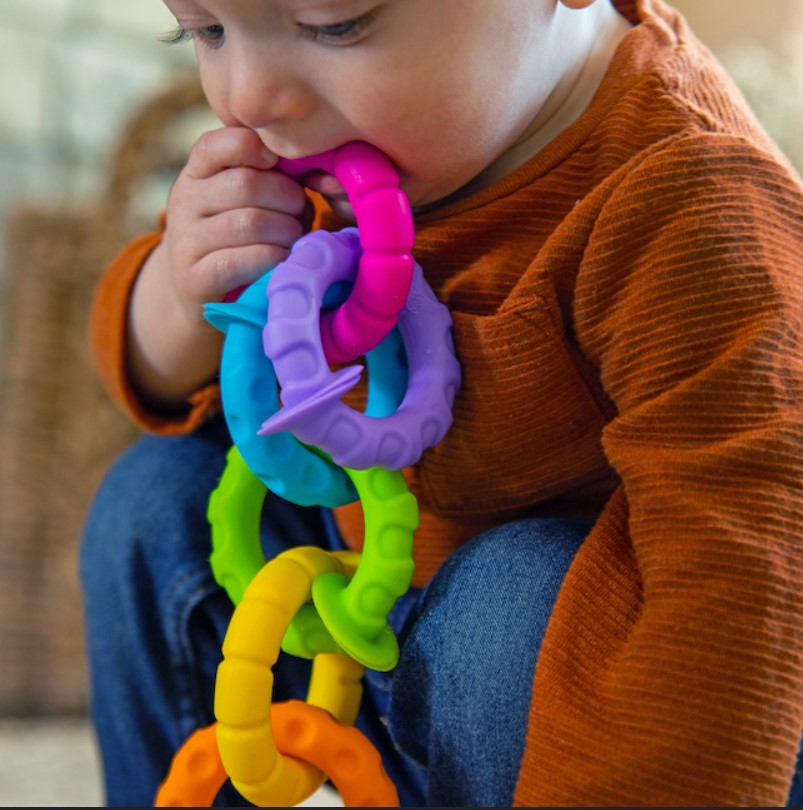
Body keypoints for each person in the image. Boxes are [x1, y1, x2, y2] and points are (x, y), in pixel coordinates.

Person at [80, 0, 803, 805]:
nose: (247, 97)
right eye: (204, 30)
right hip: (359, 634)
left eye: (336, 23)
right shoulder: (328, 151)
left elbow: (739, 593)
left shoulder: (693, 201)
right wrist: (184, 295)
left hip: (618, 723)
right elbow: (152, 373)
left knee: (509, 591)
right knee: (152, 496)